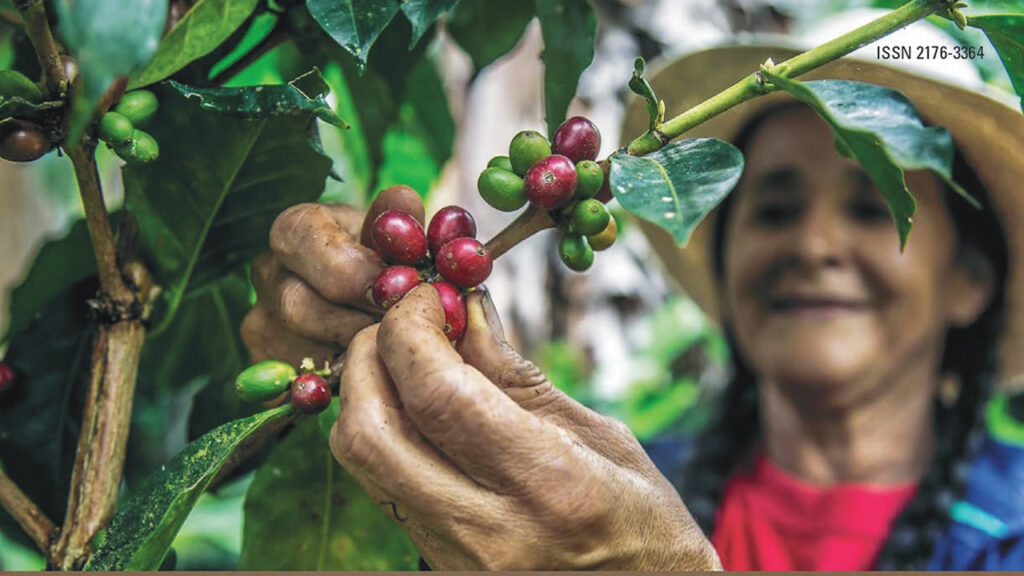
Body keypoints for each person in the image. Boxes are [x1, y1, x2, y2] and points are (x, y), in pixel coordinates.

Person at [241, 22, 1024, 572]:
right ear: (724, 255)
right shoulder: (588, 491)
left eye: (872, 208)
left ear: (970, 282)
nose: (814, 247)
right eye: (775, 210)